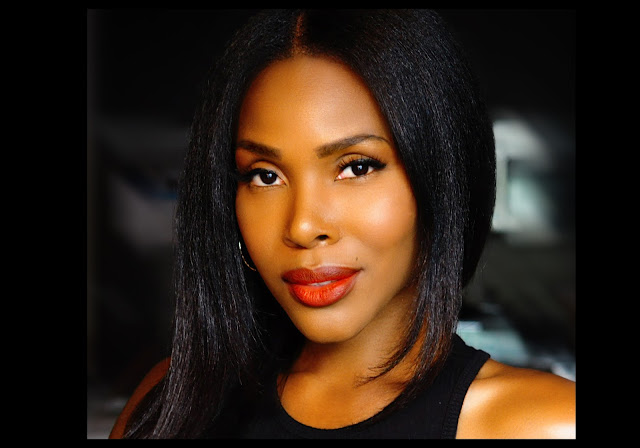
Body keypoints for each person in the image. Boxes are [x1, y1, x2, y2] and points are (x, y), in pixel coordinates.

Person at [109, 9, 575, 439]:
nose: (303, 225)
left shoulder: (541, 425)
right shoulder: (172, 405)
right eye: (265, 176)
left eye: (356, 167)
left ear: (441, 175)